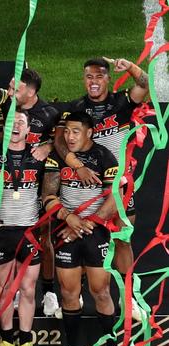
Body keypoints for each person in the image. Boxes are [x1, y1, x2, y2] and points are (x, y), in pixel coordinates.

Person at [55, 57, 148, 321]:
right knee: (81, 237)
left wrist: (130, 67)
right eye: (88, 77)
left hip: (118, 185)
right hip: (86, 187)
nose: (93, 82)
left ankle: (128, 297)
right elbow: (60, 141)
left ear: (108, 78)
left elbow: (145, 83)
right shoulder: (76, 108)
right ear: (83, 79)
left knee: (121, 239)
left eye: (99, 76)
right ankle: (78, 290)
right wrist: (76, 165)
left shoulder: (122, 103)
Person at [45, 112, 123, 346]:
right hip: (67, 231)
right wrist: (68, 218)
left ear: (89, 132)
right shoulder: (58, 157)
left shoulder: (104, 156)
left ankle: (112, 345)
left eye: (76, 131)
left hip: (95, 231)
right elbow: (47, 196)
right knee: (68, 292)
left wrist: (88, 222)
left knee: (100, 290)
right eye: (66, 131)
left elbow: (115, 198)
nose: (69, 137)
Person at [0, 110, 52, 346]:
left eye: (21, 123)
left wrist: (46, 144)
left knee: (27, 288)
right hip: (2, 232)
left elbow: (62, 139)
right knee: (2, 290)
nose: (15, 126)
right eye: (11, 122)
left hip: (28, 231)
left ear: (28, 130)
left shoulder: (38, 155)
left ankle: (25, 342)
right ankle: (4, 341)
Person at [5, 69, 62, 317]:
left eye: (14, 88)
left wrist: (49, 144)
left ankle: (49, 292)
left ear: (30, 91)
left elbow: (60, 143)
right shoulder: (6, 108)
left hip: (40, 181)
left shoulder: (50, 113)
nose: (9, 92)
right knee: (11, 235)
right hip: (11, 178)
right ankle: (15, 290)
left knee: (43, 237)